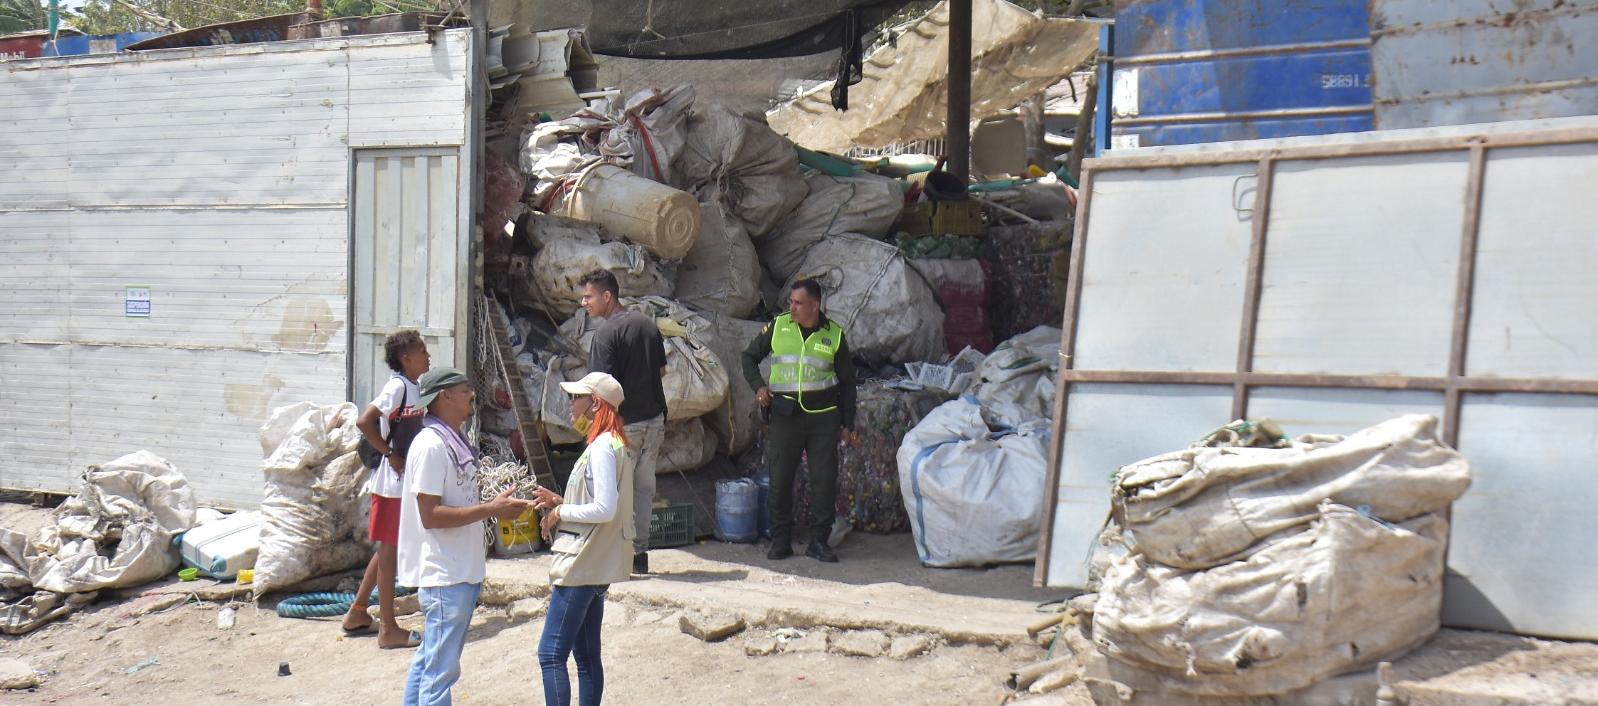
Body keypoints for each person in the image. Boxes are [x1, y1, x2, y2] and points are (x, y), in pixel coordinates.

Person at [398, 367, 534, 706]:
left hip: (459, 571)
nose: (472, 394)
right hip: (446, 574)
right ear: (444, 396)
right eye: (464, 389)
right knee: (440, 676)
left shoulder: (450, 439)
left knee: (430, 663)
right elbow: (430, 516)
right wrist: (491, 509)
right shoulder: (431, 445)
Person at [531, 372, 636, 706]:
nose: (570, 405)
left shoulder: (603, 447)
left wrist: (561, 513)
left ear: (594, 403)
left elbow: (605, 508)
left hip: (582, 564)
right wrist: (561, 502)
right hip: (595, 563)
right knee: (587, 657)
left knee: (550, 654)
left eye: (576, 398)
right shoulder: (612, 443)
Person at [741, 278, 859, 563]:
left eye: (798, 303)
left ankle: (819, 542)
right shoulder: (779, 326)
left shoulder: (834, 335)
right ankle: (781, 541)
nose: (791, 307)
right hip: (785, 418)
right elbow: (748, 357)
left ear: (815, 306)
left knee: (824, 482)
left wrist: (848, 423)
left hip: (823, 420)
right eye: (791, 302)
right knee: (780, 481)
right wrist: (759, 387)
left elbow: (847, 383)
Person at [576, 270, 667, 575]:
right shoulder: (647, 325)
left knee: (611, 490)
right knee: (643, 489)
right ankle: (639, 555)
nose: (583, 302)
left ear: (607, 296)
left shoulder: (605, 334)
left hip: (623, 426)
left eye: (588, 296)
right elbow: (662, 371)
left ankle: (616, 555)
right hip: (654, 421)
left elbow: (598, 386)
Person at [345, 329, 428, 649]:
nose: (427, 355)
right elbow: (365, 420)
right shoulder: (397, 387)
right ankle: (389, 629)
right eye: (422, 351)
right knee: (391, 553)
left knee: (387, 550)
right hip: (391, 484)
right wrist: (390, 453)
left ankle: (358, 612)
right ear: (406, 359)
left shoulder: (414, 388)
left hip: (402, 483)